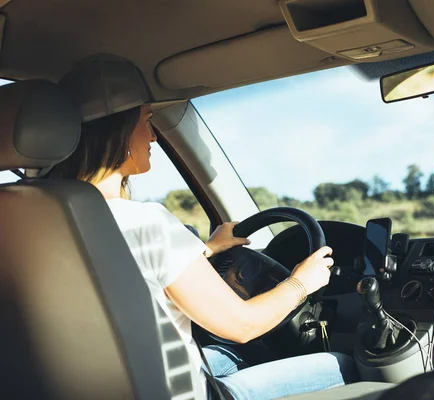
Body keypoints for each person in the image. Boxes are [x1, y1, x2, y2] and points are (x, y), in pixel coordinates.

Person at [48, 104, 357, 399]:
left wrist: (206, 249)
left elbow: (131, 271)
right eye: (146, 121)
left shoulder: (37, 226)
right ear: (116, 132)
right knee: (344, 364)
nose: (154, 135)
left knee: (233, 357)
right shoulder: (143, 221)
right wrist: (301, 283)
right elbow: (243, 325)